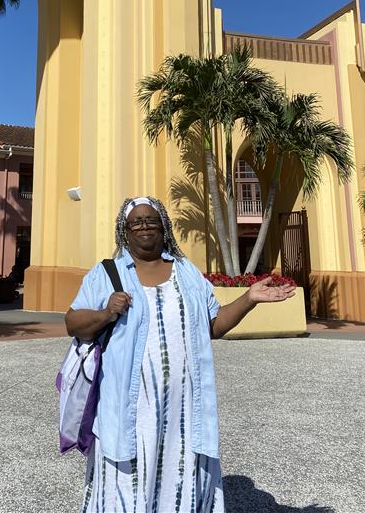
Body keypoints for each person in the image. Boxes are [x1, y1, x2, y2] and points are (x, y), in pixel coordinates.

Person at [66, 196, 295, 513]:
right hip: (128, 412)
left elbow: (213, 326)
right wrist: (106, 312)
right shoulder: (105, 274)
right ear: (125, 231)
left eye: (151, 220)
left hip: (184, 415)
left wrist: (250, 298)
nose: (145, 226)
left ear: (164, 228)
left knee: (180, 484)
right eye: (137, 222)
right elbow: (73, 322)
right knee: (124, 486)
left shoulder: (187, 273)